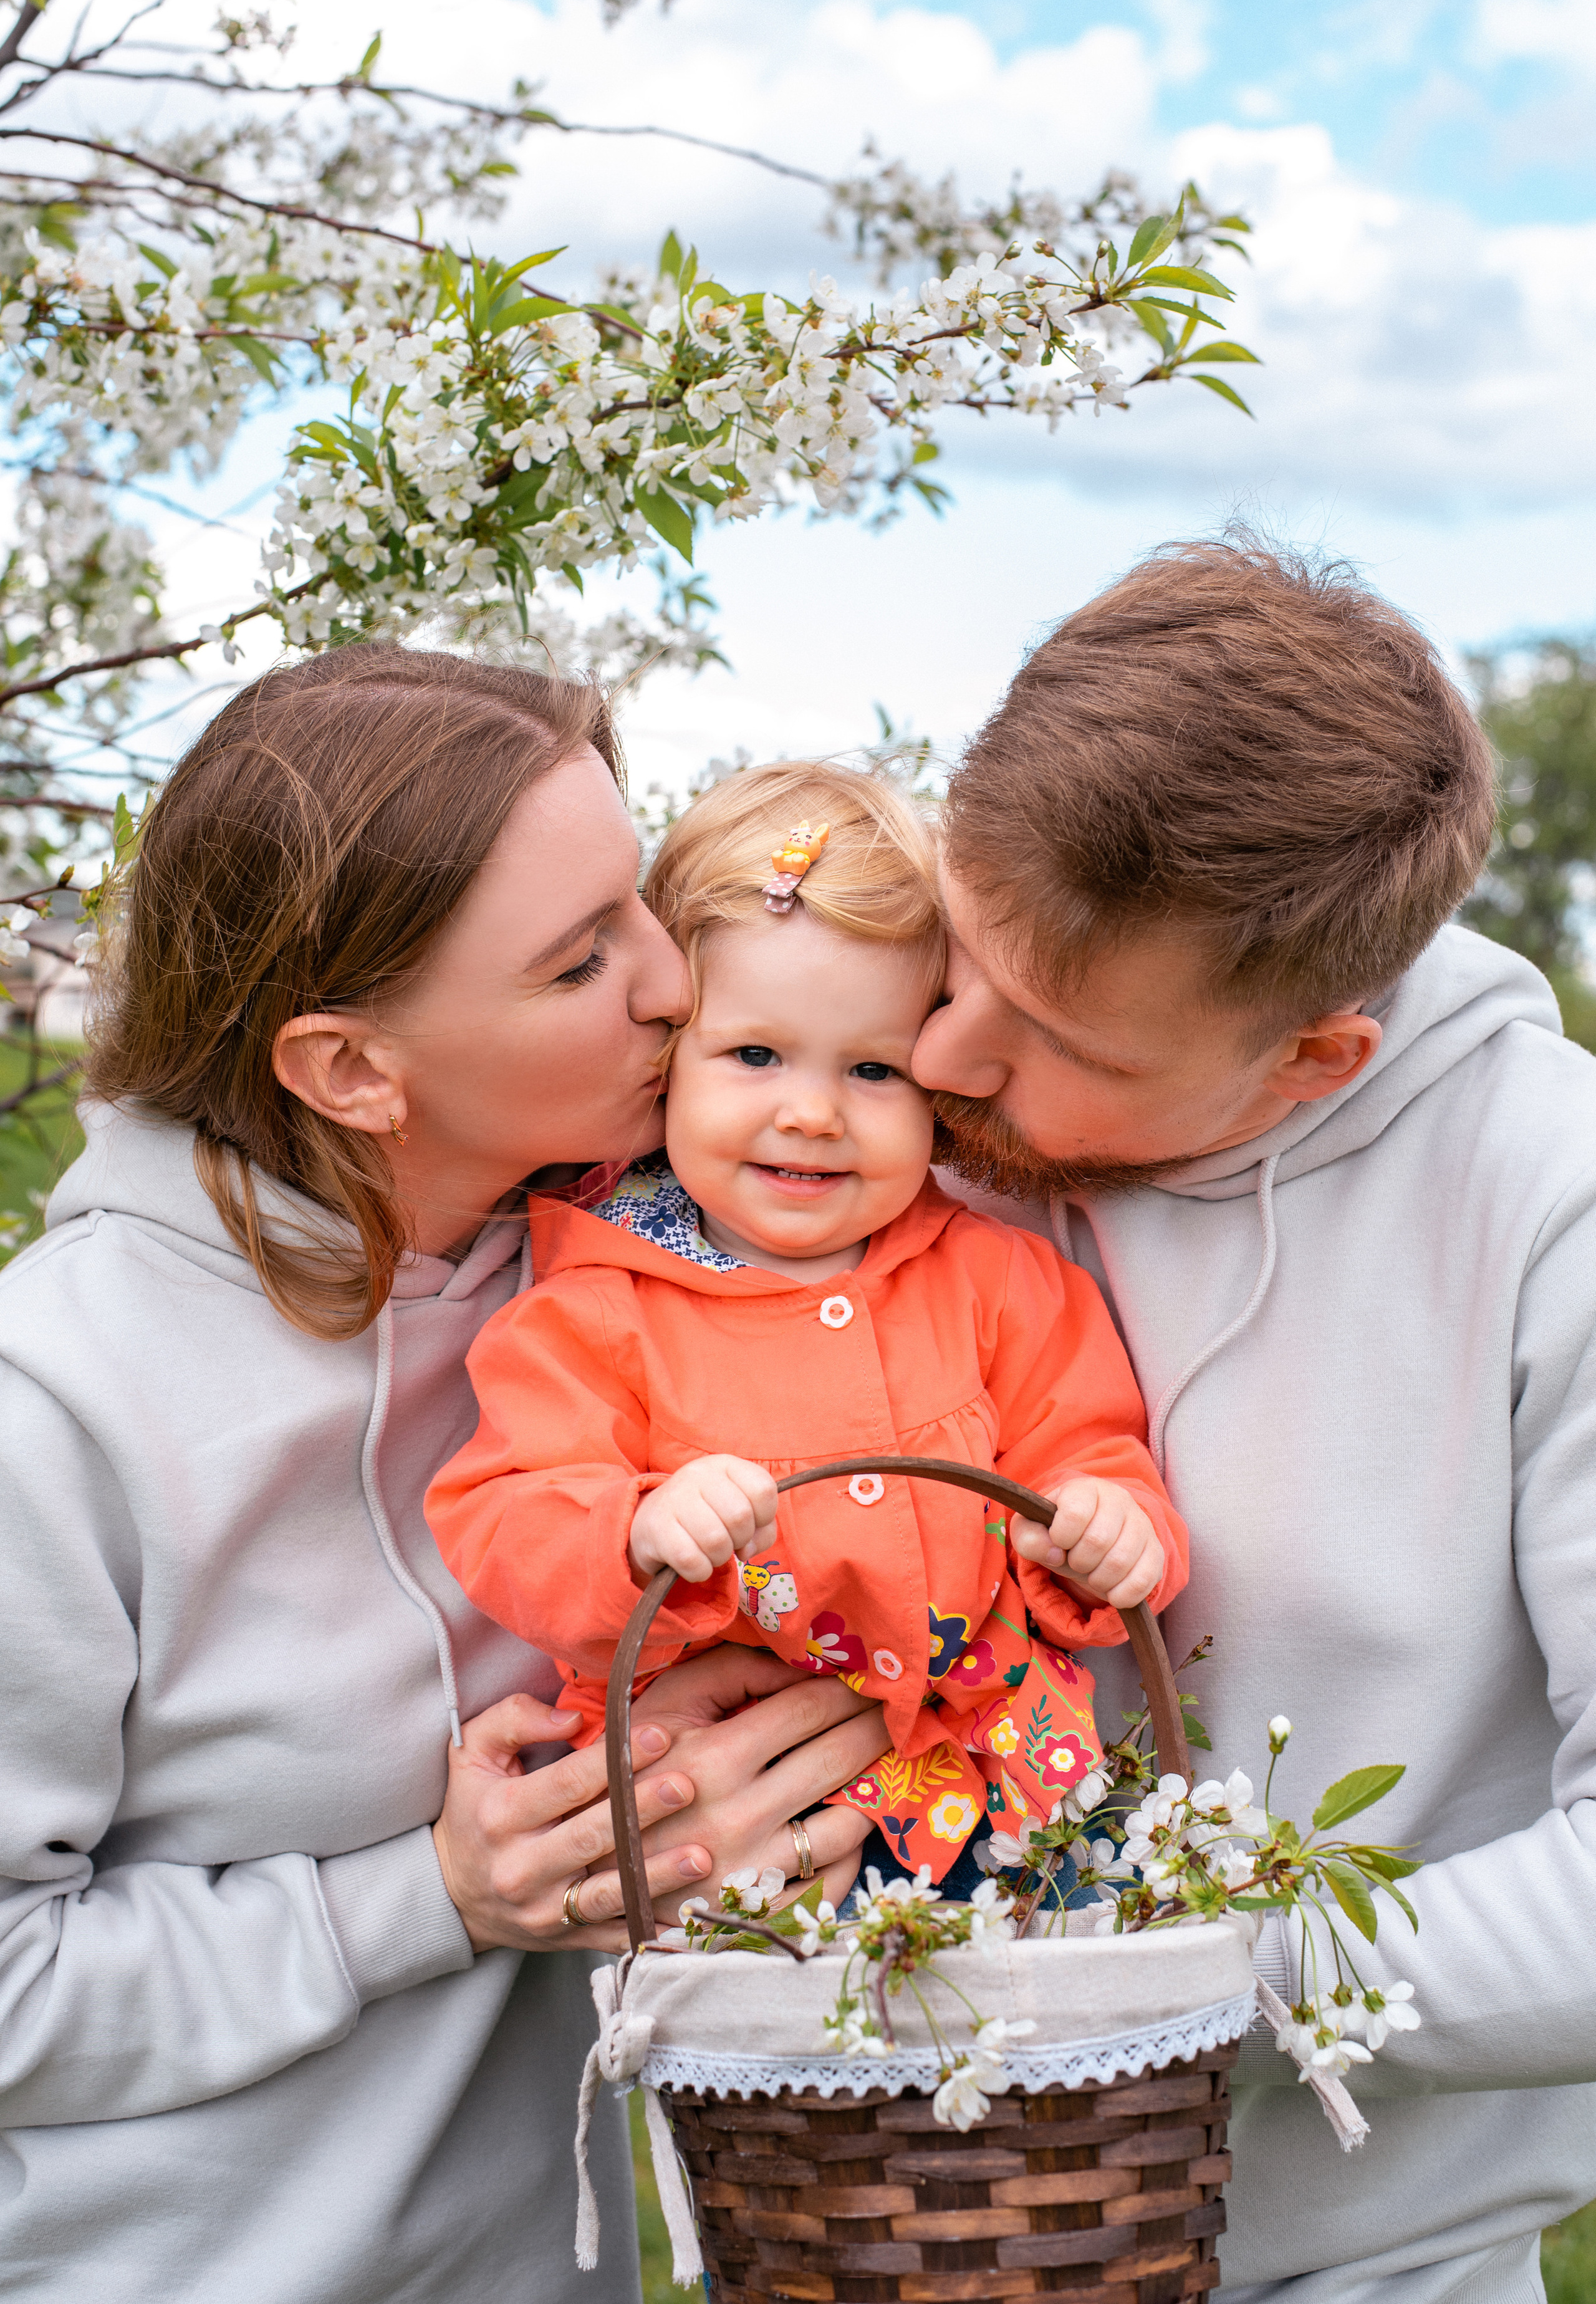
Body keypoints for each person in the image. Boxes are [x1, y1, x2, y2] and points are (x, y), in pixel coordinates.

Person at [0, 646, 886, 2304]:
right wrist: (431, 1899)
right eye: (578, 962)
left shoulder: (621, 1284)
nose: (675, 985)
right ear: (352, 1072)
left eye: (640, 905)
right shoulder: (49, 1412)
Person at [911, 538, 1596, 2304]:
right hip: (876, 2232)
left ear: (1315, 1061)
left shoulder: (1549, 1202)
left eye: (1057, 1035)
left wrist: (1137, 1991)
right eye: (954, 947)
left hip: (1376, 2266)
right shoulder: (892, 1107)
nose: (939, 1062)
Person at [426, 762, 1188, 1893]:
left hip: (1003, 1788)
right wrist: (637, 1527)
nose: (812, 1111)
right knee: (771, 2053)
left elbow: (1085, 1444)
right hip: (733, 1813)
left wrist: (1111, 1527)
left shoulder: (996, 1277)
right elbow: (506, 1508)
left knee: (1047, 2045)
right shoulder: (594, 1308)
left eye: (874, 1067)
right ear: (668, 1056)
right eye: (754, 1054)